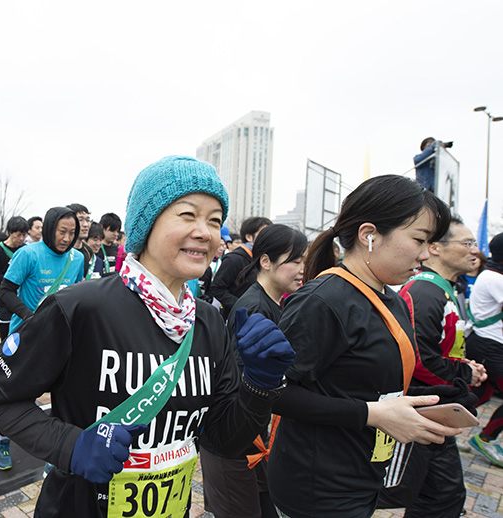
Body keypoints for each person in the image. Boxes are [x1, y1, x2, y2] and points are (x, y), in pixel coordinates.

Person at [0, 155, 295, 518]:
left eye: (215, 220)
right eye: (187, 215)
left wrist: (260, 385)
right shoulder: (81, 307)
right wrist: (72, 447)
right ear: (145, 224)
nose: (205, 231)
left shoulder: (208, 322)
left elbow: (224, 441)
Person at [267, 175, 461, 518]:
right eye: (419, 239)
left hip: (364, 472)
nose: (425, 253)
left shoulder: (392, 298)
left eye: (431, 242)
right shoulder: (323, 301)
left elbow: (363, 380)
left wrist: (433, 399)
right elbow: (273, 392)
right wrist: (371, 414)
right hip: (318, 485)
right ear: (369, 235)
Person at [377, 217, 485, 517]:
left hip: (437, 401)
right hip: (420, 406)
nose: (473, 251)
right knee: (439, 495)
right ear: (435, 248)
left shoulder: (444, 289)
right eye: (466, 243)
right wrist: (465, 374)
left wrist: (464, 366)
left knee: (437, 495)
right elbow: (420, 358)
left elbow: (439, 348)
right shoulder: (424, 292)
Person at [201, 224, 307, 518]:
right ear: (266, 262)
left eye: (304, 260)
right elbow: (237, 380)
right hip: (233, 441)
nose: (302, 269)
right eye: (295, 261)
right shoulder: (254, 309)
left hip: (253, 437)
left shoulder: (275, 304)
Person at [0, 206, 85, 470]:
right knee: (18, 395)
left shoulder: (77, 258)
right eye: (61, 232)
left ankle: (55, 455)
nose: (66, 238)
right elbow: (6, 290)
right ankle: (2, 439)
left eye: (71, 233)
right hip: (25, 336)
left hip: (59, 337)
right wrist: (29, 316)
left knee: (64, 393)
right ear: (48, 229)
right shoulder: (28, 254)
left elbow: (76, 292)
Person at [466, 233, 503, 466]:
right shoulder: (495, 279)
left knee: (482, 394)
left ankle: (443, 424)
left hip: (486, 343)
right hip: (490, 345)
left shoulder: (490, 274)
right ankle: (485, 438)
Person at [208, 216, 271, 319]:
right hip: (237, 318)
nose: (267, 238)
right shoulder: (234, 259)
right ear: (249, 237)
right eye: (263, 233)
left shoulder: (262, 259)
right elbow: (217, 288)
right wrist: (242, 306)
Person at [0, 216, 29, 346]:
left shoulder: (26, 250)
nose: (21, 239)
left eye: (24, 235)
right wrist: (13, 278)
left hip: (22, 298)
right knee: (5, 335)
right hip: (4, 298)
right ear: (10, 233)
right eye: (18, 235)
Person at [67, 203, 95, 278]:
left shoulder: (88, 251)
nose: (85, 224)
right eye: (80, 220)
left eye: (88, 220)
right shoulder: (63, 249)